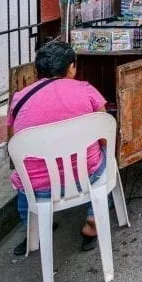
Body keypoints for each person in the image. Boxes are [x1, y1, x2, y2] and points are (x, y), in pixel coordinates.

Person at [8, 41, 108, 255]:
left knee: (23, 173)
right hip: (85, 178)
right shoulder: (86, 91)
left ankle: (31, 226)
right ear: (72, 67)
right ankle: (93, 217)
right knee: (107, 152)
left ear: (37, 71)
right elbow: (104, 136)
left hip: (38, 188)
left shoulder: (19, 99)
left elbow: (14, 145)